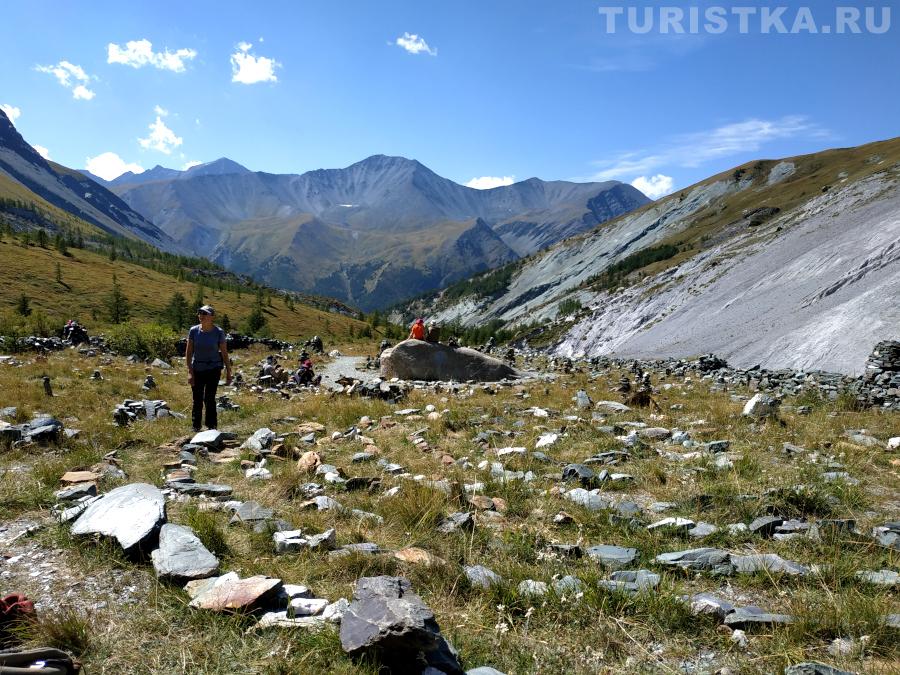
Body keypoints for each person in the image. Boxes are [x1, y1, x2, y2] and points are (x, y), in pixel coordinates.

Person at [185, 305, 232, 432]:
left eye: (204, 313)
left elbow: (224, 353)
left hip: (214, 368)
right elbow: (188, 353)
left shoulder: (219, 332)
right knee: (197, 398)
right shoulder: (193, 331)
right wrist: (190, 372)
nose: (201, 315)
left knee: (209, 398)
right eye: (200, 313)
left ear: (212, 317)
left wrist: (229, 372)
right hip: (197, 368)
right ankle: (196, 426)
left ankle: (212, 426)